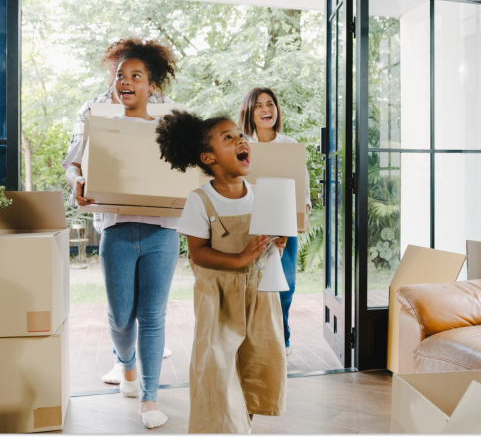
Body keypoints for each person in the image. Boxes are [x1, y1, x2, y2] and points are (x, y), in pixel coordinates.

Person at [62, 38, 179, 429]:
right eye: (120, 75)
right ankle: (126, 365)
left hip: (162, 230)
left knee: (153, 316)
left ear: (152, 84)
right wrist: (78, 181)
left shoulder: (170, 125)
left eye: (136, 75)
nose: (125, 81)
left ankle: (149, 398)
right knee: (120, 316)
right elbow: (73, 163)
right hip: (115, 227)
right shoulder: (100, 120)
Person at [156, 110, 288, 433]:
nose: (241, 140)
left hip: (258, 297)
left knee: (255, 368)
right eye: (228, 137)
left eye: (241, 135)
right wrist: (240, 258)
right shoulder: (200, 201)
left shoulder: (260, 195)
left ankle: (245, 427)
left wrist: (277, 243)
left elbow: (268, 252)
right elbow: (199, 254)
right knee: (219, 372)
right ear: (208, 157)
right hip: (218, 301)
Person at [238, 87, 311, 357]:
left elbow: (301, 189)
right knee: (253, 284)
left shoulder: (289, 146)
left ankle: (283, 337)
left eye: (270, 104)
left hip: (283, 226)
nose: (266, 109)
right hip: (249, 225)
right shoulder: (241, 144)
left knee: (285, 286)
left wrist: (297, 222)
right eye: (258, 105)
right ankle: (254, 339)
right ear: (249, 111)